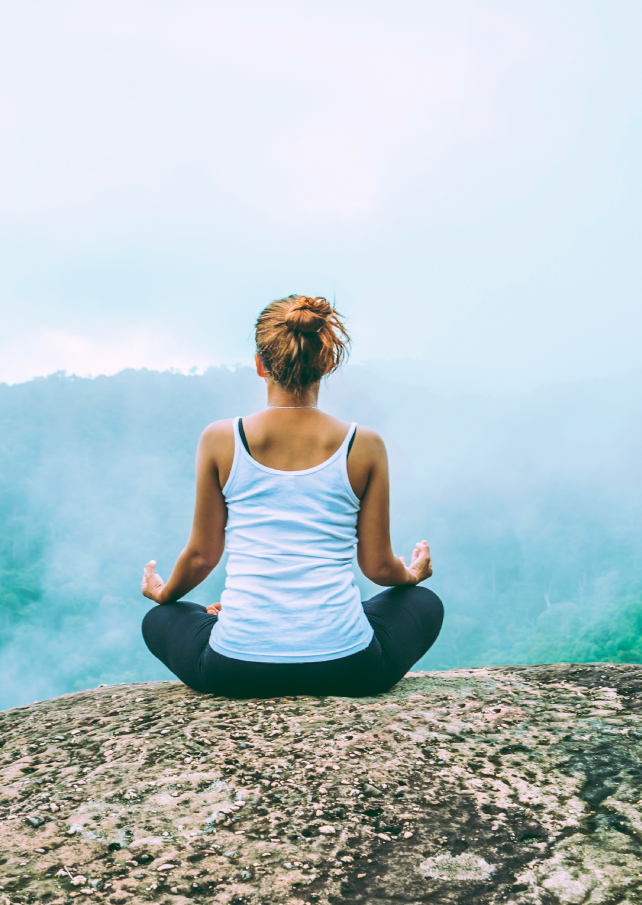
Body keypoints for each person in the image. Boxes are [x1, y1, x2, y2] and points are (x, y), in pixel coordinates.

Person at [141, 294, 443, 697]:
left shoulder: (220, 439)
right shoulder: (364, 444)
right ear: (328, 363)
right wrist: (412, 575)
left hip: (235, 669)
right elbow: (377, 567)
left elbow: (200, 557)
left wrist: (162, 592)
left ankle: (240, 620)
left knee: (161, 619)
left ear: (260, 364)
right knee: (424, 603)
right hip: (352, 667)